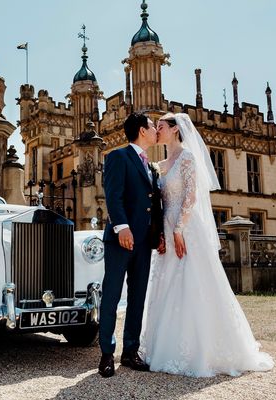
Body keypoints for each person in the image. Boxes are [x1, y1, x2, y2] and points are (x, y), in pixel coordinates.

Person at [140, 112, 274, 377]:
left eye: (162, 126)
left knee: (194, 282)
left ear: (176, 130)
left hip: (187, 228)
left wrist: (179, 229)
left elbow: (190, 197)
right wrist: (163, 233)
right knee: (167, 286)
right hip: (167, 228)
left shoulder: (187, 157)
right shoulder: (162, 164)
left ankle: (202, 350)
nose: (158, 130)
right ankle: (165, 347)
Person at [98, 112, 164, 378]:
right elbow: (113, 196)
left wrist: (158, 234)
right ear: (141, 130)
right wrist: (121, 227)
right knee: (112, 296)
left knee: (137, 298)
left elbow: (154, 204)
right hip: (120, 239)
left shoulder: (152, 167)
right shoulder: (118, 156)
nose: (156, 129)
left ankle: (129, 352)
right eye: (152, 125)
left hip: (144, 242)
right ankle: (106, 354)